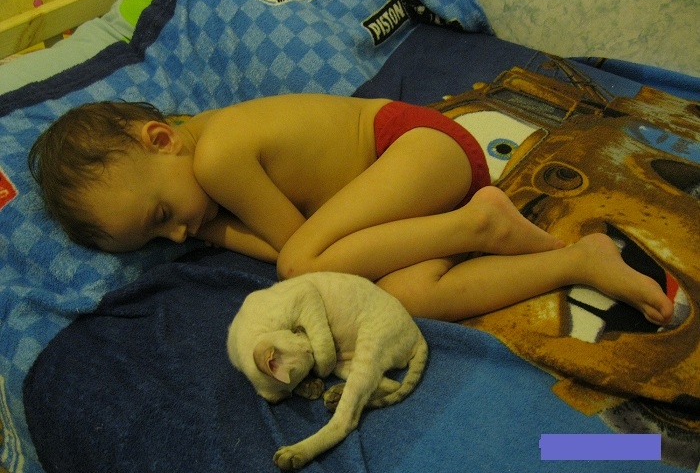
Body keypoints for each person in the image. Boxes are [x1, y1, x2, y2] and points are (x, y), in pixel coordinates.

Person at [29, 95, 674, 324]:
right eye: (156, 240)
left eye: (161, 215)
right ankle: (576, 261)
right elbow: (328, 250)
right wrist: (212, 229)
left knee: (299, 268)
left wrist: (222, 233)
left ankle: (480, 224)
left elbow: (297, 248)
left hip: (418, 147)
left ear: (161, 140)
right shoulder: (200, 185)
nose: (176, 236)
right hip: (413, 196)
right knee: (409, 298)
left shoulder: (219, 156)